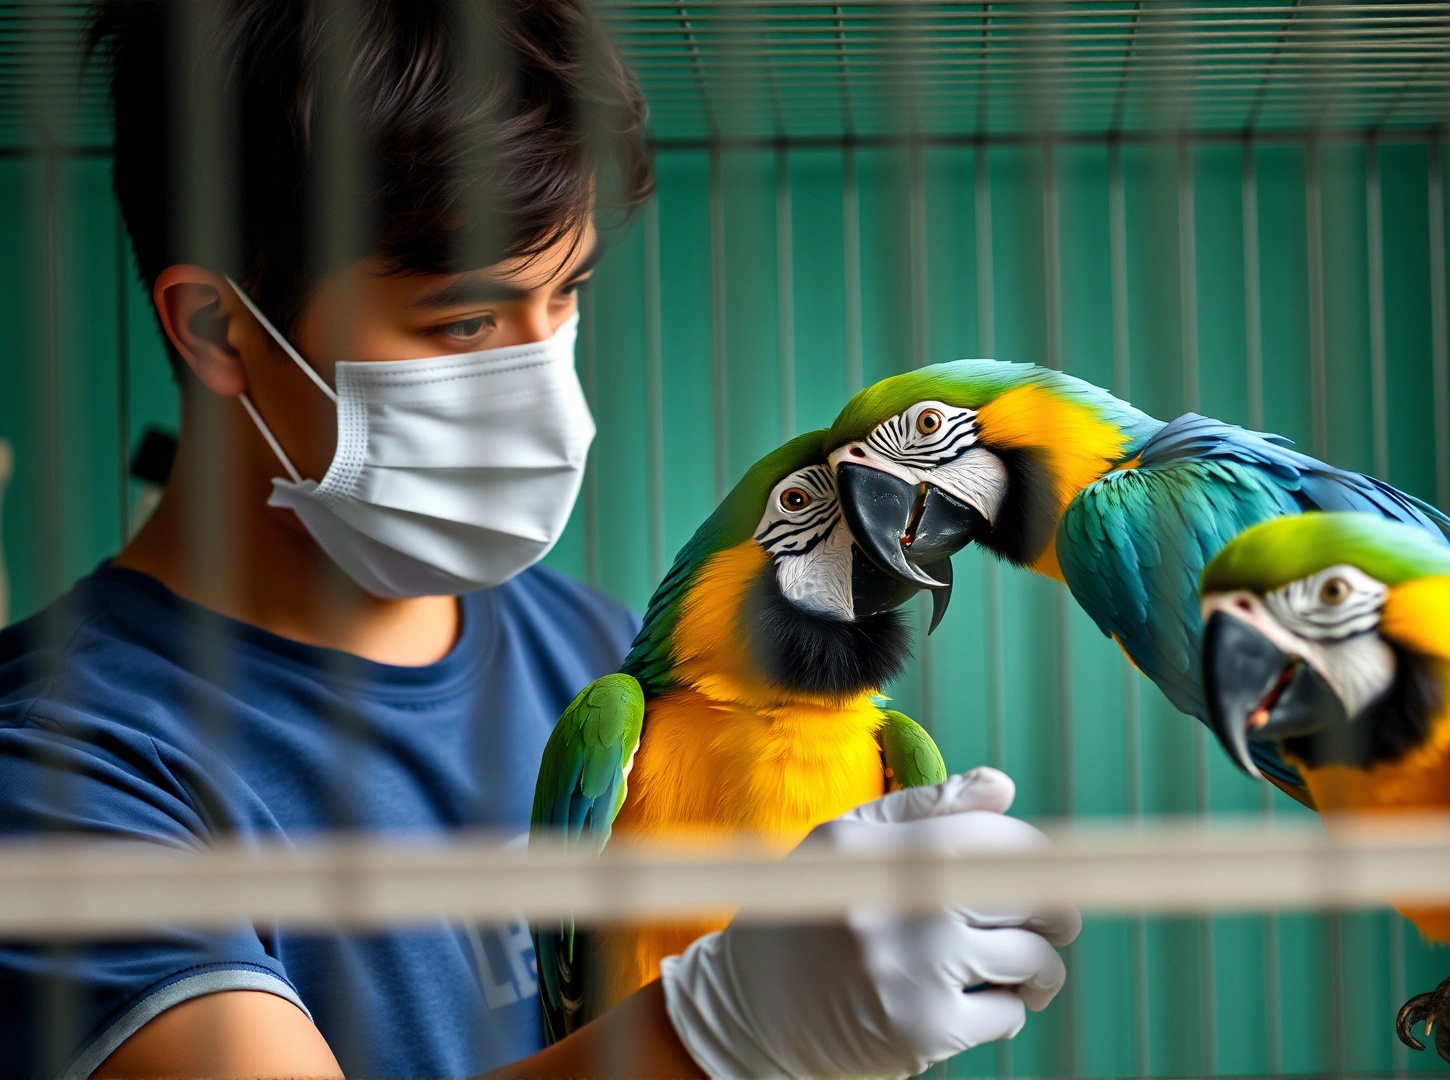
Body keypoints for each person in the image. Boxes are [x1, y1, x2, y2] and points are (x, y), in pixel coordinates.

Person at [0, 1, 1075, 1076]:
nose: (543, 378)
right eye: (466, 322)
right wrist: (719, 1033)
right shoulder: (56, 770)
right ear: (219, 328)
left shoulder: (607, 659)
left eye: (569, 293)